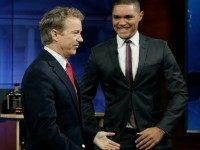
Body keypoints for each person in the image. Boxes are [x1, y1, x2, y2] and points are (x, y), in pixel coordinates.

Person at [80, 0, 187, 149]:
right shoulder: (98, 52)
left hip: (154, 138)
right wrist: (94, 131)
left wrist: (161, 128)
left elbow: (180, 93)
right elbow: (84, 96)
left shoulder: (160, 48)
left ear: (140, 16)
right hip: (114, 140)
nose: (121, 22)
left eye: (128, 17)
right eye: (116, 17)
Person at [21, 6, 85, 150]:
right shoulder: (39, 73)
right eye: (76, 33)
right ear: (55, 35)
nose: (81, 39)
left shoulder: (61, 67)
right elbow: (46, 131)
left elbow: (69, 121)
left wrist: (92, 136)